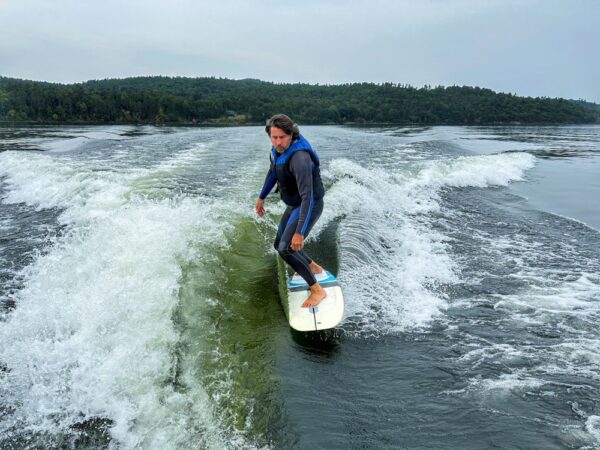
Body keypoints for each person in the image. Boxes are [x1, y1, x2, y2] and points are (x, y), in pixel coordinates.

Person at [255, 114, 327, 308]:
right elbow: (273, 172)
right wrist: (261, 197)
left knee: (286, 248)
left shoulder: (299, 158)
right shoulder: (277, 150)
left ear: (291, 135)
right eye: (274, 137)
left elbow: (308, 197)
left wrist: (299, 232)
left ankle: (317, 290)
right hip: (294, 204)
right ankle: (313, 266)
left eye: (282, 137)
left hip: (309, 205)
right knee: (279, 244)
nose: (278, 142)